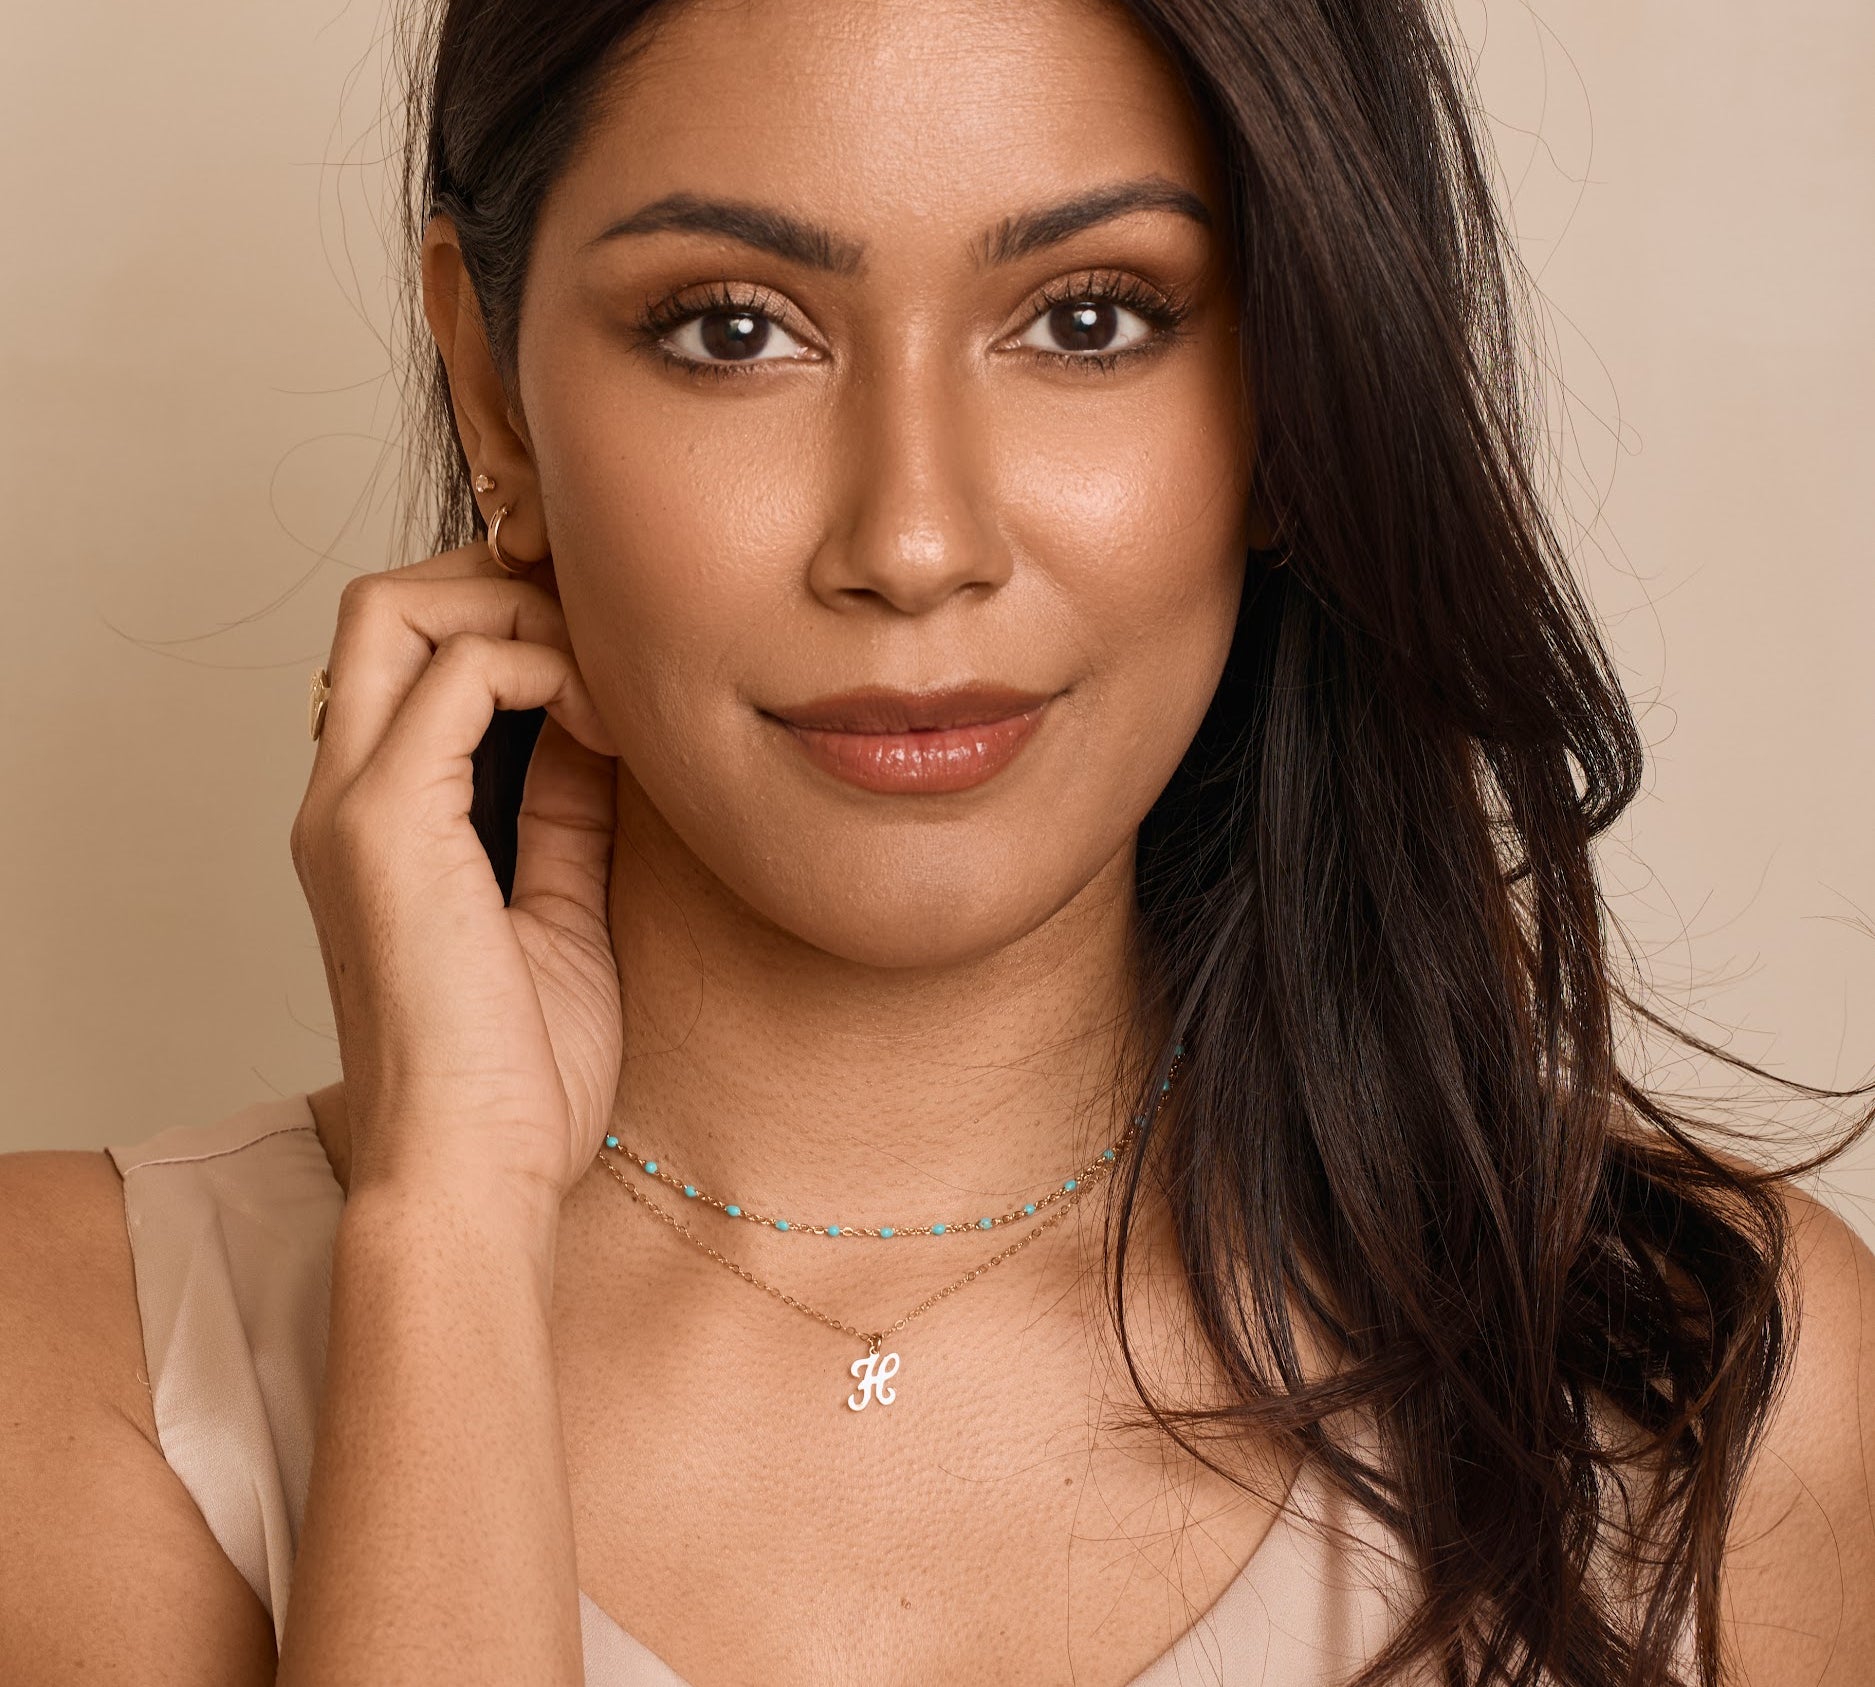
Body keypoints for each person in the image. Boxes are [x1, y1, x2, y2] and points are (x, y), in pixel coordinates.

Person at [3, 0, 1872, 1682]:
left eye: (1090, 319)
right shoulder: (75, 1371)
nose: (914, 539)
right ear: (493, 388)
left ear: (1294, 405)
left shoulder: (1706, 1394)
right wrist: (447, 1241)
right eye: (735, 329)